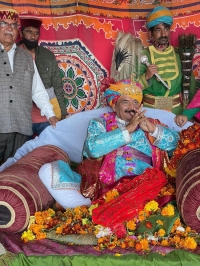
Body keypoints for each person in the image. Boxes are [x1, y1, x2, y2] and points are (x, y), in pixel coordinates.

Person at [83, 79, 180, 184]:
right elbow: (92, 150)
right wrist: (128, 129)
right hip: (110, 183)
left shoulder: (150, 123)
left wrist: (153, 130)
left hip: (147, 181)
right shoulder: (100, 123)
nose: (132, 107)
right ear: (114, 106)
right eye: (125, 102)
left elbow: (176, 146)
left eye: (135, 102)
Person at [0, 8, 58, 163]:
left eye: (13, 25)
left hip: (21, 128)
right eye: (4, 24)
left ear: (17, 31)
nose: (9, 28)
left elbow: (37, 90)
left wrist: (50, 114)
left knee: (12, 169)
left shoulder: (25, 57)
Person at [139, 6, 196, 115]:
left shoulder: (180, 54)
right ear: (151, 34)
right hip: (149, 112)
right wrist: (146, 76)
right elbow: (131, 88)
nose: (163, 34)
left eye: (166, 29)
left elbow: (191, 85)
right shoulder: (143, 55)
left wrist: (187, 114)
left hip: (176, 113)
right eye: (158, 30)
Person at [18, 17, 66, 136]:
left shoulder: (47, 56)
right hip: (22, 119)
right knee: (23, 152)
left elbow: (57, 85)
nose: (33, 36)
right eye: (29, 32)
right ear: (21, 33)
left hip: (45, 117)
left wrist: (62, 113)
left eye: (36, 33)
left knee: (49, 151)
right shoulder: (14, 55)